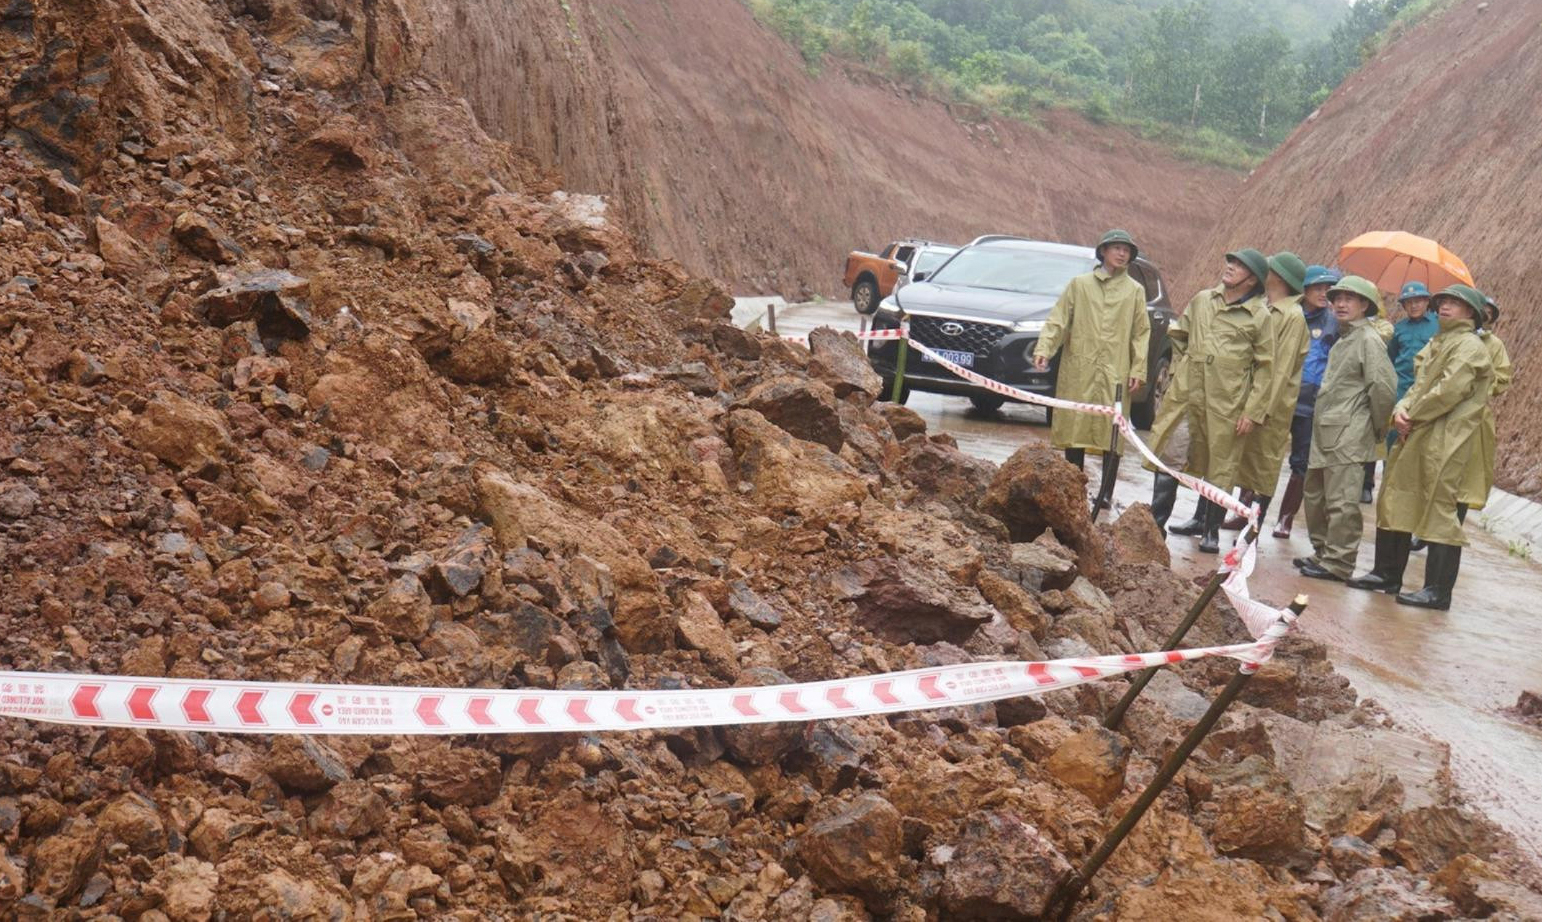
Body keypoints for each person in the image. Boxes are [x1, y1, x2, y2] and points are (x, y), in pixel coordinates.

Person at [1345, 284, 1494, 609]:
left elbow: (1448, 391)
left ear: (1471, 313)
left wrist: (1411, 413)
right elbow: (1418, 382)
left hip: (1449, 436)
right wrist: (1401, 410)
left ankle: (1438, 591)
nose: (1445, 307)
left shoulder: (1470, 346)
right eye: (1443, 302)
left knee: (1440, 506)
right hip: (1418, 430)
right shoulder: (1439, 341)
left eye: (1455, 303)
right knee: (1397, 495)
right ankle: (1387, 573)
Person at [1164, 248, 1275, 553]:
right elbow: (1179, 334)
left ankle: (1210, 530)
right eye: (1231, 261)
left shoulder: (1259, 316)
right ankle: (1155, 521)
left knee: (1221, 465)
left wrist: (1252, 411)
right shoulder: (1202, 300)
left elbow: (1266, 368)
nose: (1230, 267)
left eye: (1240, 265)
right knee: (1172, 454)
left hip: (1227, 401)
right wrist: (1180, 369)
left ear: (1252, 279)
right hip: (1189, 394)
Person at [1293, 276, 1396, 581]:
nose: (1340, 304)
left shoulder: (1368, 340)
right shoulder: (1344, 338)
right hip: (1325, 430)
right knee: (1315, 495)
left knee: (1341, 501)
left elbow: (1384, 389)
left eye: (1350, 299)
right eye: (1337, 298)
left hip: (1349, 433)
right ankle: (1324, 552)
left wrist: (1374, 428)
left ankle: (1339, 563)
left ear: (1365, 305)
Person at [1033, 229, 1150, 482]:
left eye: (1126, 250)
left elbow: (1141, 333)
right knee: (1076, 423)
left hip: (1116, 368)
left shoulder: (1135, 291)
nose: (1121, 253)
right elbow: (1058, 320)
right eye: (1116, 248)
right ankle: (1073, 481)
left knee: (1113, 430)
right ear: (1103, 251)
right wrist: (1044, 348)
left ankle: (1106, 493)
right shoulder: (1080, 285)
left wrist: (1138, 369)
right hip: (1080, 366)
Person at [1226, 252, 1311, 530]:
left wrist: (1258, 410)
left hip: (1269, 409)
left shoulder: (1293, 317)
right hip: (1251, 400)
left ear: (1279, 277)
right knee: (1241, 463)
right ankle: (1237, 515)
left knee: (1262, 467)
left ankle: (1253, 529)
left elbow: (1280, 369)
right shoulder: (1265, 307)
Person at [1271, 265, 1339, 538]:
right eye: (1319, 288)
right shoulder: (1288, 313)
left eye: (1328, 289)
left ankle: (1285, 518)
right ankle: (1247, 514)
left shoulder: (1333, 323)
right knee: (1264, 455)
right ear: (1304, 289)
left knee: (1301, 462)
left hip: (1311, 403)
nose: (1324, 294)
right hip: (1281, 396)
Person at [1456, 295, 1512, 519]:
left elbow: (1502, 378)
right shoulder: (1456, 338)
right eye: (1482, 309)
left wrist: (1480, 389)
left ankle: (1452, 527)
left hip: (1476, 416)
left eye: (1489, 311)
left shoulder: (1495, 345)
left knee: (1466, 474)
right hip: (1445, 410)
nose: (1485, 313)